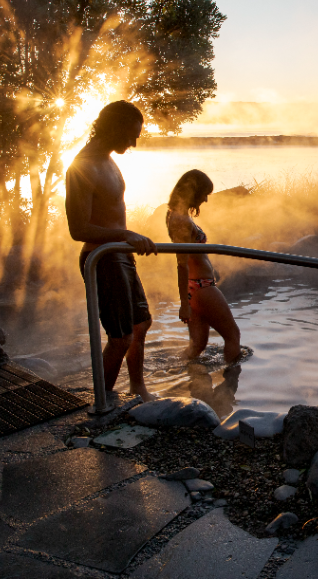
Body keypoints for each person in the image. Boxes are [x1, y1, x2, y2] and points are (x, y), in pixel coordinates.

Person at [65, 100, 158, 402]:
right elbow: (78, 229)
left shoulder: (107, 159)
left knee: (140, 324)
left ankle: (137, 388)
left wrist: (126, 240)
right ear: (114, 127)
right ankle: (103, 402)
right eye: (131, 135)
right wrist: (125, 234)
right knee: (120, 337)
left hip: (120, 254)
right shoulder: (84, 166)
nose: (133, 143)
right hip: (103, 259)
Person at [166, 169, 242, 364]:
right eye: (204, 194)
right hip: (201, 287)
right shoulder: (180, 220)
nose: (206, 200)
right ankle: (231, 386)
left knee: (198, 344)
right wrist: (184, 304)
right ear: (193, 191)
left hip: (197, 287)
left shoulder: (177, 215)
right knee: (233, 336)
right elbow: (181, 264)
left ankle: (176, 374)